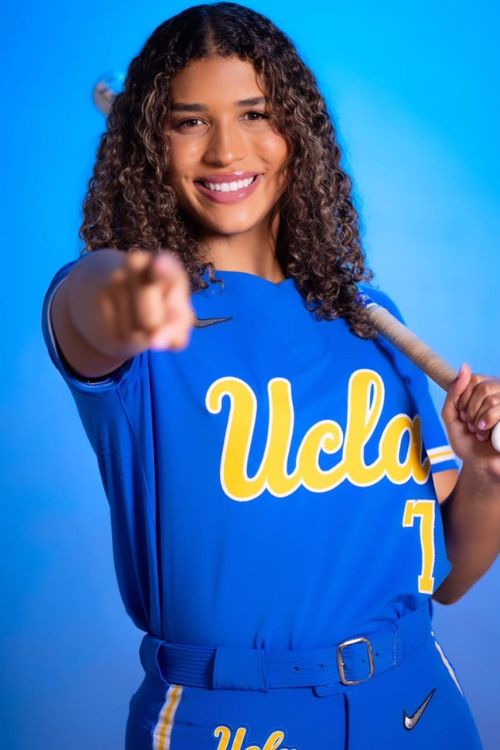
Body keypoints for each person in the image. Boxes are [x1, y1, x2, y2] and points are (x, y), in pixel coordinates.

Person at [41, 3, 500, 748]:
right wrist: (127, 289)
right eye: (190, 121)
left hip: (419, 704)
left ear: (299, 134)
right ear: (152, 145)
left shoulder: (368, 318)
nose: (227, 149)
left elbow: (448, 576)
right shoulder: (132, 327)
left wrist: (485, 473)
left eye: (255, 113)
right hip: (228, 722)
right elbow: (86, 310)